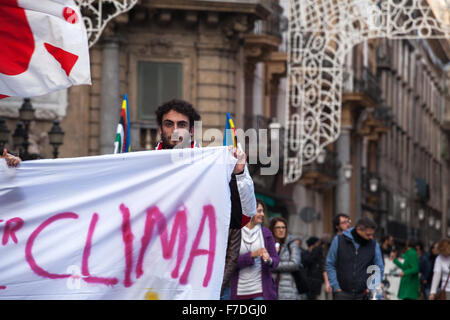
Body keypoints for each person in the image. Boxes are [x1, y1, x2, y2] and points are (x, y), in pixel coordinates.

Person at [153, 99, 257, 299]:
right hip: (151, 278)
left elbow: (243, 217)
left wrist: (239, 173)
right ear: (160, 128)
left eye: (181, 125)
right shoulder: (141, 166)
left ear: (192, 130)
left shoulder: (214, 167)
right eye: (169, 124)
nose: (175, 130)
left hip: (195, 278)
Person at [230, 199, 279, 300]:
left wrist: (269, 260)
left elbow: (276, 260)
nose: (262, 214)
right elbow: (230, 263)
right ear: (249, 211)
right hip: (239, 292)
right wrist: (251, 255)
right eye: (259, 211)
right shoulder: (235, 233)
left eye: (263, 211)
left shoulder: (266, 233)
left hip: (260, 292)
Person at [325, 217, 384, 300]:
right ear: (358, 229)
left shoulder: (374, 245)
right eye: (368, 234)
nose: (371, 237)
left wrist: (372, 287)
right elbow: (330, 264)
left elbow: (378, 268)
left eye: (372, 234)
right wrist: (336, 287)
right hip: (342, 293)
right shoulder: (338, 240)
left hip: (363, 294)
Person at [269, 216, 301, 300]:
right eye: (278, 227)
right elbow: (264, 263)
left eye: (283, 227)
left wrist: (274, 264)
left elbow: (295, 264)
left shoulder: (291, 244)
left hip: (288, 289)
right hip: (270, 287)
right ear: (273, 229)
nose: (281, 230)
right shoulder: (268, 244)